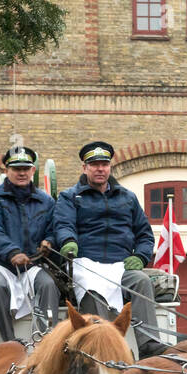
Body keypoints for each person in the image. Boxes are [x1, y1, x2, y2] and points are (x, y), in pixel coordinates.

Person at [53, 140, 166, 358]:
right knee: (92, 292)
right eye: (94, 164)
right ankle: (101, 349)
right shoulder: (69, 197)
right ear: (84, 168)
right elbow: (63, 224)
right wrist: (68, 241)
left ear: (110, 167)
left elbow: (144, 234)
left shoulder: (128, 197)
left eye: (104, 164)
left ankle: (149, 344)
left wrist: (141, 257)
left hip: (121, 264)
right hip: (86, 263)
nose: (100, 168)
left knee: (141, 281)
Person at [0, 146, 59, 341]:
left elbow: (54, 228)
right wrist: (12, 252)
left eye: (26, 168)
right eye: (16, 169)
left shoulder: (46, 201)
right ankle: (9, 341)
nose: (21, 173)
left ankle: (46, 340)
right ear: (7, 171)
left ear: (33, 170)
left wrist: (49, 241)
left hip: (32, 264)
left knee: (49, 285)